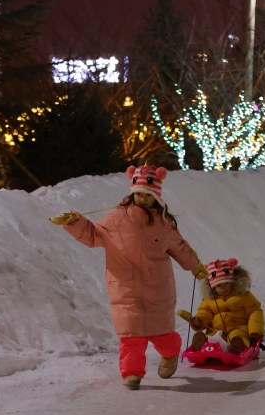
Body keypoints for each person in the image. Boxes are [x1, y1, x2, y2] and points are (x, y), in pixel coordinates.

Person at [52, 165, 208, 390]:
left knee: (162, 334)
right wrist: (74, 222)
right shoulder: (117, 218)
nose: (143, 198)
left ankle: (171, 353)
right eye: (139, 194)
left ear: (156, 196)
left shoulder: (164, 224)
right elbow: (94, 235)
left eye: (148, 194)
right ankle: (132, 373)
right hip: (125, 287)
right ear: (132, 193)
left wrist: (196, 267)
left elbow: (180, 248)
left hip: (158, 288)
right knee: (130, 336)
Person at [187, 258, 265, 354]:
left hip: (238, 329)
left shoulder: (243, 296)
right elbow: (205, 313)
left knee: (238, 337)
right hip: (217, 331)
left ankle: (238, 347)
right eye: (219, 285)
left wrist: (255, 332)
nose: (224, 287)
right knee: (213, 339)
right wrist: (200, 320)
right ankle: (202, 344)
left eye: (227, 283)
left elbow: (255, 312)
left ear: (232, 282)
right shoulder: (209, 300)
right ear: (213, 287)